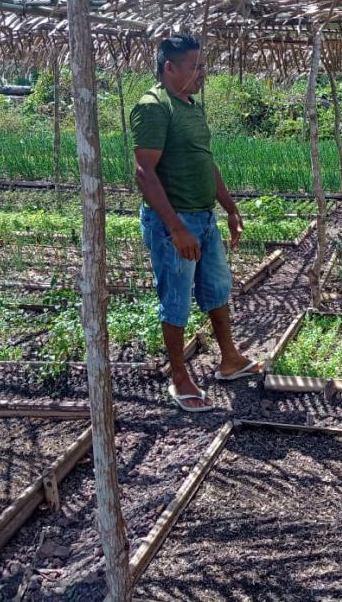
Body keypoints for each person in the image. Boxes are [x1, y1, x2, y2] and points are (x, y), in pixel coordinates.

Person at [130, 35, 262, 412]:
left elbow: (207, 161)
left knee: (217, 288)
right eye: (195, 66)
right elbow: (144, 172)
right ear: (169, 67)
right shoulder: (154, 107)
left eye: (204, 65)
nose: (202, 73)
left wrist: (230, 208)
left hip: (203, 217)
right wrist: (175, 227)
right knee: (175, 300)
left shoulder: (190, 106)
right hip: (174, 222)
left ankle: (230, 359)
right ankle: (179, 378)